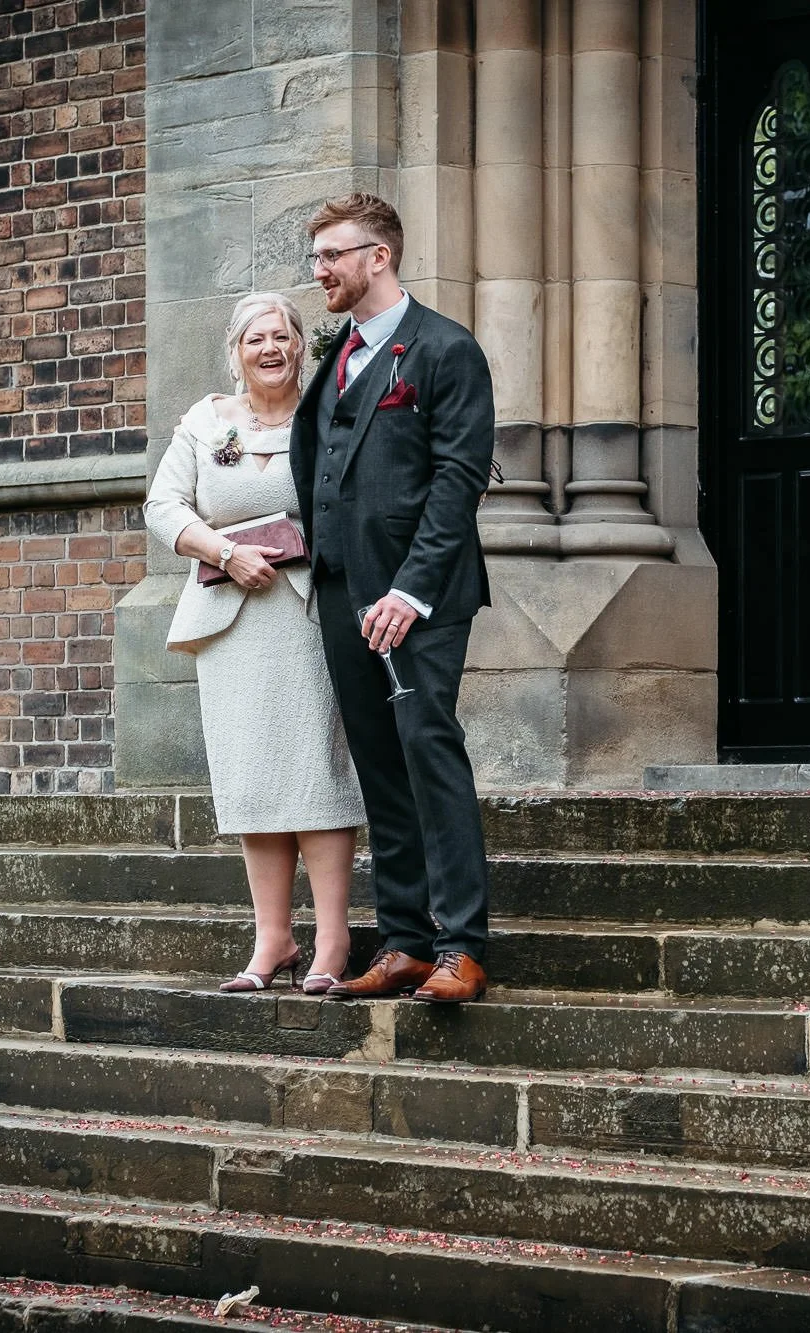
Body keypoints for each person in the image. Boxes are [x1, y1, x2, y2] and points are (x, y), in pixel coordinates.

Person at [290, 192, 496, 1004]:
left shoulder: (446, 349)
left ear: (380, 256)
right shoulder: (337, 355)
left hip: (421, 597)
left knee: (427, 751)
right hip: (342, 589)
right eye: (316, 258)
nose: (321, 271)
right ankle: (406, 940)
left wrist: (411, 588)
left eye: (333, 255)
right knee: (379, 763)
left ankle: (460, 946)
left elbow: (457, 480)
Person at [143, 292, 364, 995]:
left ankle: (332, 938)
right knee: (254, 776)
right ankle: (274, 938)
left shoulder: (331, 411)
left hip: (310, 615)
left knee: (316, 773)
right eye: (255, 339)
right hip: (231, 621)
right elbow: (162, 504)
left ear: (302, 345)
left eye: (282, 336)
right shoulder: (208, 423)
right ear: (235, 352)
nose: (270, 348)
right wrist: (221, 549)